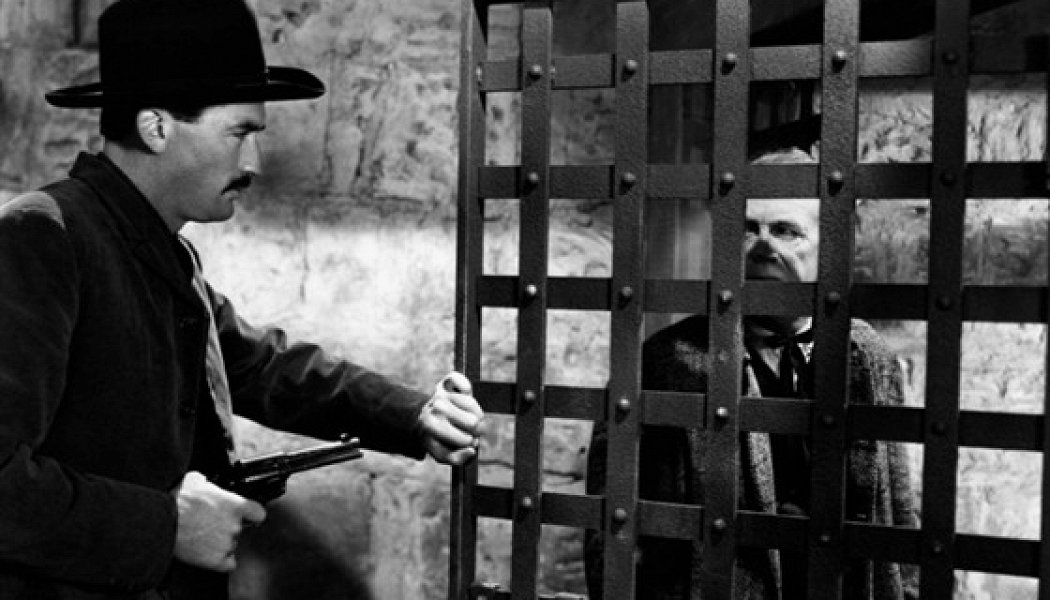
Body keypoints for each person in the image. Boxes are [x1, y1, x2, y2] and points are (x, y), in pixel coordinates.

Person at [0, 0, 483, 598]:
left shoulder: (161, 251)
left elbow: (260, 366)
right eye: (240, 134)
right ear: (157, 129)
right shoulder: (44, 235)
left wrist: (412, 414)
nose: (253, 162)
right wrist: (167, 527)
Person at [586, 199, 918, 599]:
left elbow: (897, 504)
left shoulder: (867, 353)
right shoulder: (663, 361)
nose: (762, 248)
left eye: (785, 231)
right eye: (746, 229)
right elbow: (611, 529)